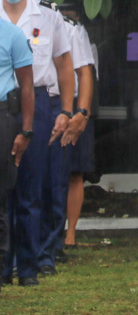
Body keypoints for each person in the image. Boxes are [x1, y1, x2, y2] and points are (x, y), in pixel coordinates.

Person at [0, 0, 75, 288]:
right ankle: (4, 264)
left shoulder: (47, 17)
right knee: (4, 191)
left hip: (39, 105)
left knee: (31, 188)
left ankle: (28, 267)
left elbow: (64, 66)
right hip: (3, 105)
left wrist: (66, 111)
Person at [29, 0, 94, 275]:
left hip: (55, 104)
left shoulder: (66, 25)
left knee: (54, 180)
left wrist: (80, 112)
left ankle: (49, 250)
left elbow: (82, 71)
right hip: (18, 104)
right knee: (21, 182)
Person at [55, 0, 96, 257]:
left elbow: (85, 73)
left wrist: (82, 112)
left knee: (74, 172)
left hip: (73, 104)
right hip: (41, 102)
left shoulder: (73, 29)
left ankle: (70, 233)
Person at [0, 15, 34, 296]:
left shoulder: (11, 34)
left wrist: (26, 131)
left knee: (1, 196)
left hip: (3, 117)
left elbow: (26, 86)